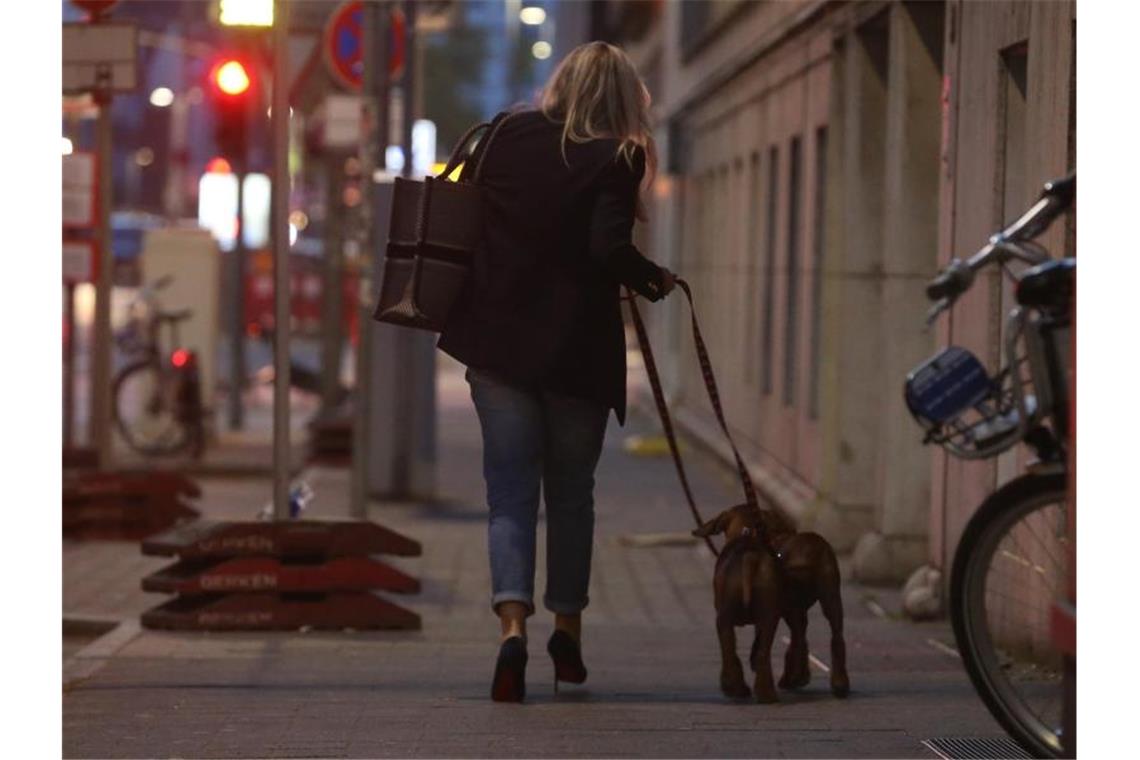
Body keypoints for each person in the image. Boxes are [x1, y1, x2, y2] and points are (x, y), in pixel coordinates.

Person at [437, 40, 676, 703]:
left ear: (562, 83)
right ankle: (567, 629)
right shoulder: (619, 157)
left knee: (510, 495)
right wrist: (655, 279)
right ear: (625, 98)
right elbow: (608, 249)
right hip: (574, 356)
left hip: (497, 347)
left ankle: (511, 630)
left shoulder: (507, 134)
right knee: (570, 497)